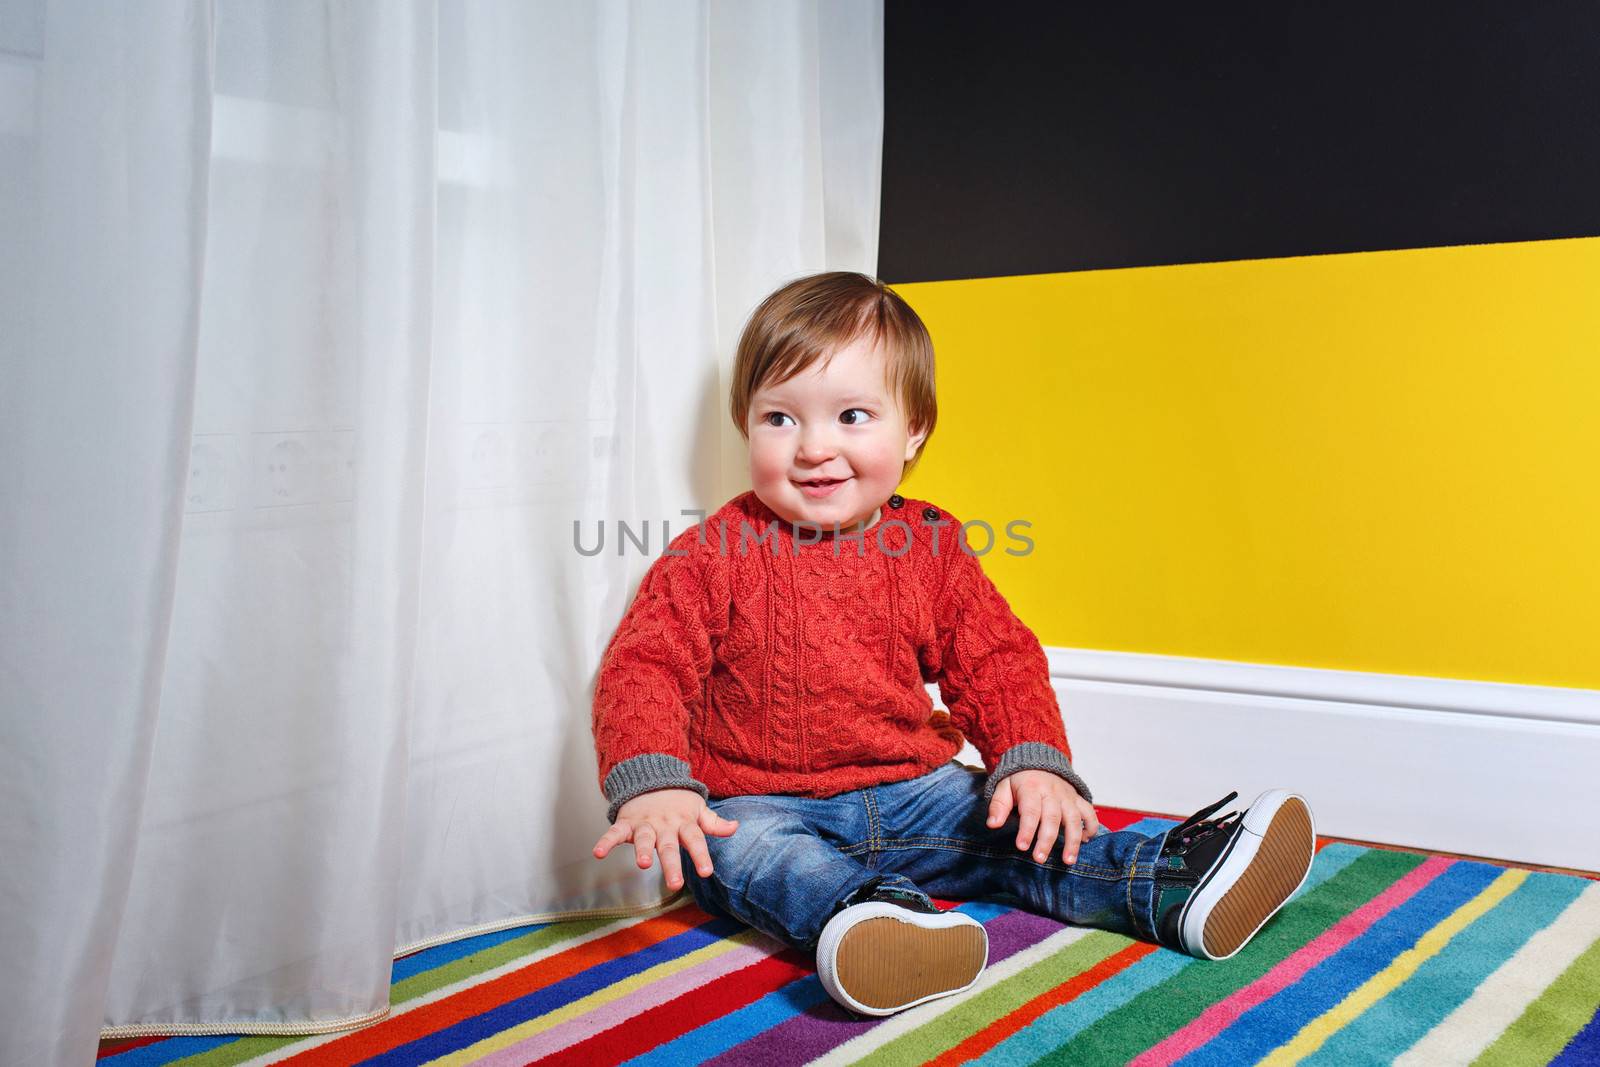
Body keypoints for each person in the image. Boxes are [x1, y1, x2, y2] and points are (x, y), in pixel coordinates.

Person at [589, 271, 1316, 1017]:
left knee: (1020, 829)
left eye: (851, 415)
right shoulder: (709, 555)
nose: (813, 447)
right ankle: (874, 919)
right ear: (747, 423)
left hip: (914, 792)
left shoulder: (930, 546)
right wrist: (658, 784)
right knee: (746, 852)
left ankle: (1164, 881)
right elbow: (644, 667)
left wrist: (1031, 761)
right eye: (780, 418)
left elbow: (995, 657)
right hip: (762, 799)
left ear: (913, 429)